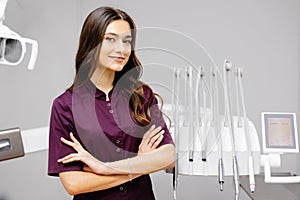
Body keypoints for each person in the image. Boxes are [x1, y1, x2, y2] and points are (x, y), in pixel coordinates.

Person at [47, 6, 175, 200]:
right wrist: (140, 163)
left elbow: (168, 156)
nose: (122, 49)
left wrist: (103, 168)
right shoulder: (65, 106)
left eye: (127, 41)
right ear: (92, 43)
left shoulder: (141, 95)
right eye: (111, 39)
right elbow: (73, 184)